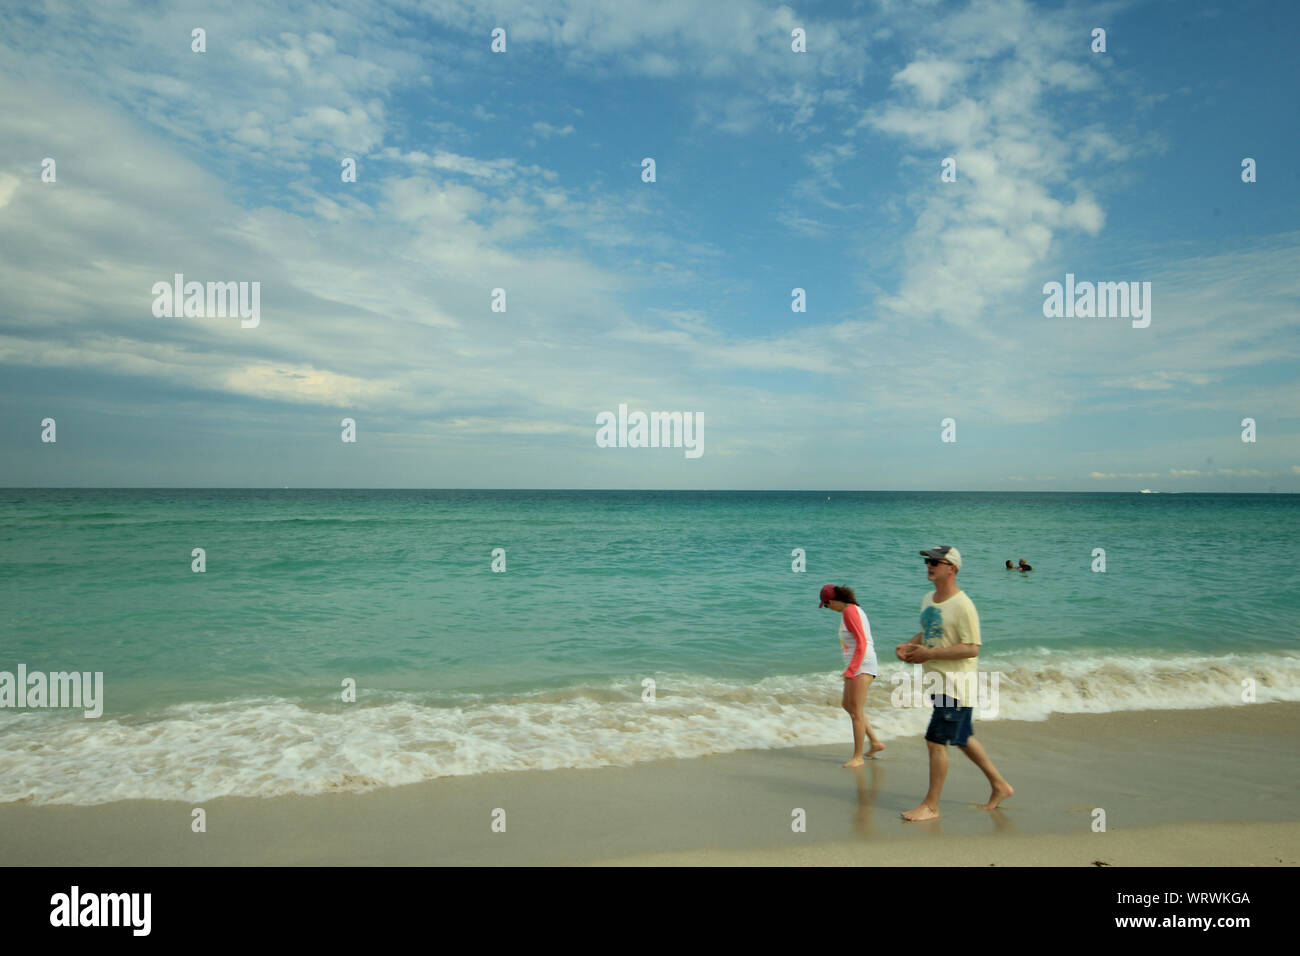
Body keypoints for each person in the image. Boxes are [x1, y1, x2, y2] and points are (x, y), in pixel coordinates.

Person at [895, 547, 1013, 820]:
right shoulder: (928, 598)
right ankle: (1000, 785)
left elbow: (972, 648)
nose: (929, 565)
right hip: (937, 682)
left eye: (935, 562)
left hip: (956, 686)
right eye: (927, 561)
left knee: (935, 741)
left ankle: (931, 806)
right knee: (962, 738)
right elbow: (930, 632)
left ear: (953, 568)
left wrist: (930, 654)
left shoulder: (963, 605)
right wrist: (910, 645)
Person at [819, 584, 884, 767]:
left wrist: (852, 668)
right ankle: (875, 742)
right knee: (847, 705)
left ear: (832, 601)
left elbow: (862, 643)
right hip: (857, 664)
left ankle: (858, 757)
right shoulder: (849, 611)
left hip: (862, 665)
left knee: (855, 711)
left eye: (826, 605)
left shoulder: (849, 612)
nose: (827, 608)